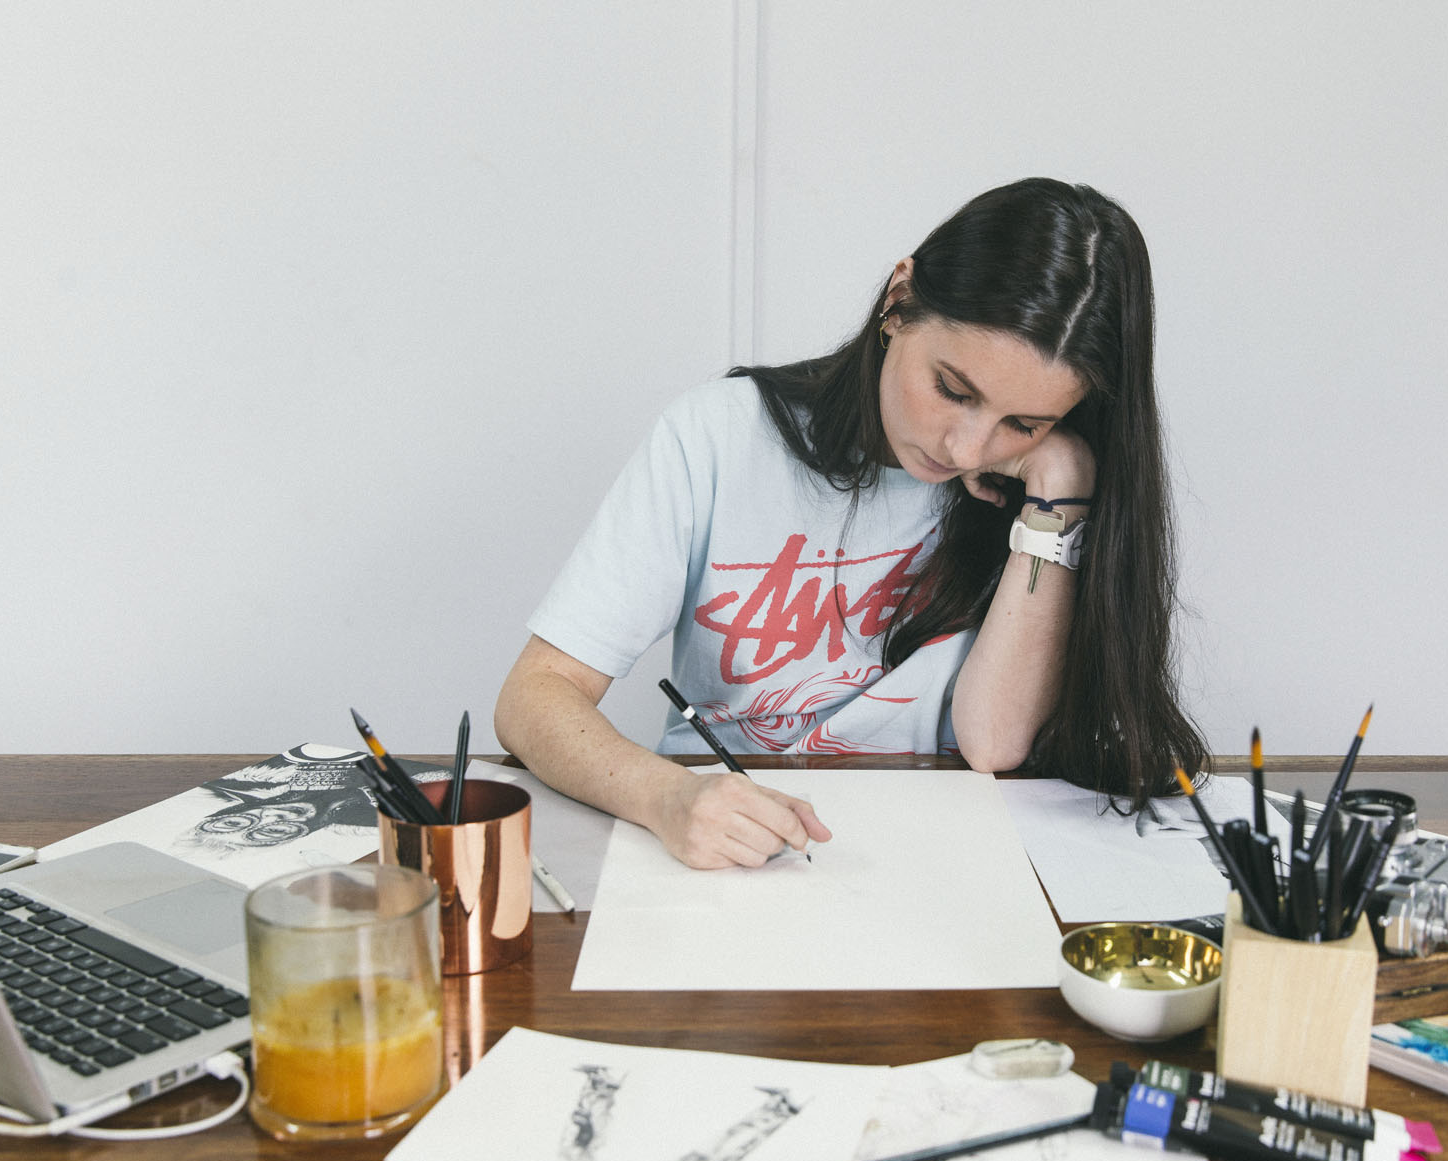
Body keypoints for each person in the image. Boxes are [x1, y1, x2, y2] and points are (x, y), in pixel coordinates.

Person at [495, 177, 1206, 869]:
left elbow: (992, 743)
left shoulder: (1034, 494)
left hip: (937, 859)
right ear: (898, 302)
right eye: (952, 389)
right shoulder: (718, 437)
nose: (967, 450)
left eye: (1023, 424)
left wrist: (1059, 487)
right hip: (730, 852)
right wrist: (667, 796)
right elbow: (534, 696)